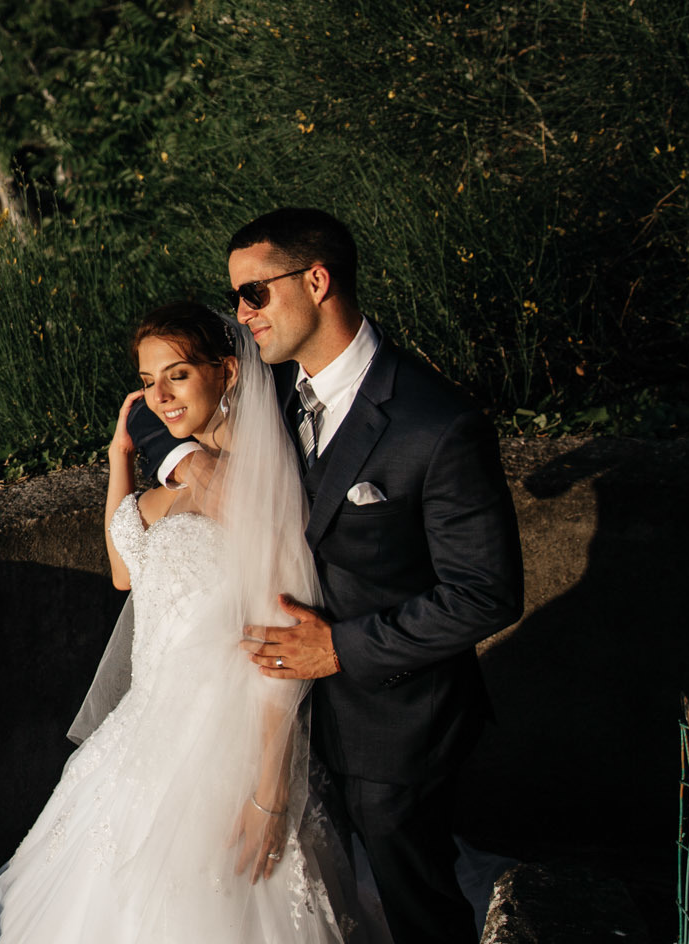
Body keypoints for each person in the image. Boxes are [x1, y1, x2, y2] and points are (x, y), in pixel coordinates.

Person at [130, 208, 525, 944]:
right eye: (238, 300)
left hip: (393, 729)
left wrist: (339, 648)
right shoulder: (269, 390)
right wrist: (191, 461)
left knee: (416, 913)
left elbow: (486, 593)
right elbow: (156, 411)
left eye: (254, 294)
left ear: (317, 280)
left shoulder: (435, 425)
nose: (241, 315)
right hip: (284, 728)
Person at [0, 300, 368, 944]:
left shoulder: (251, 487)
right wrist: (123, 456)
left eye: (177, 375)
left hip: (221, 745)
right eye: (149, 381)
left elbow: (280, 649)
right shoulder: (181, 475)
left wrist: (269, 792)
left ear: (228, 372)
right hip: (142, 729)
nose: (161, 395)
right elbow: (125, 570)